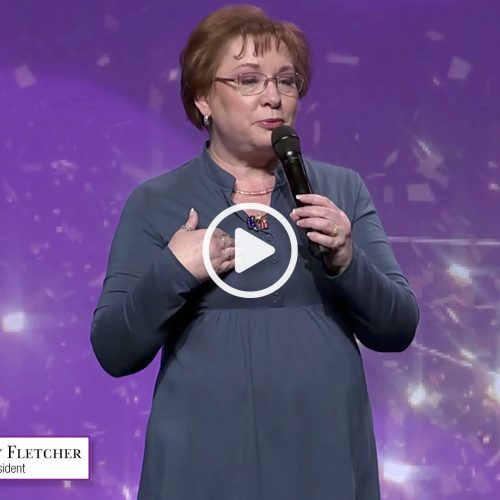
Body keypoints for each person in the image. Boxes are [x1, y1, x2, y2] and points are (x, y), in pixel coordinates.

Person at [90, 4, 419, 499]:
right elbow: (114, 350)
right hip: (202, 466)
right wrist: (174, 270)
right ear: (203, 97)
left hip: (323, 460)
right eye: (248, 80)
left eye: (287, 81)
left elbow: (398, 328)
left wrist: (347, 261)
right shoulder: (156, 203)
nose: (273, 96)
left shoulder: (340, 191)